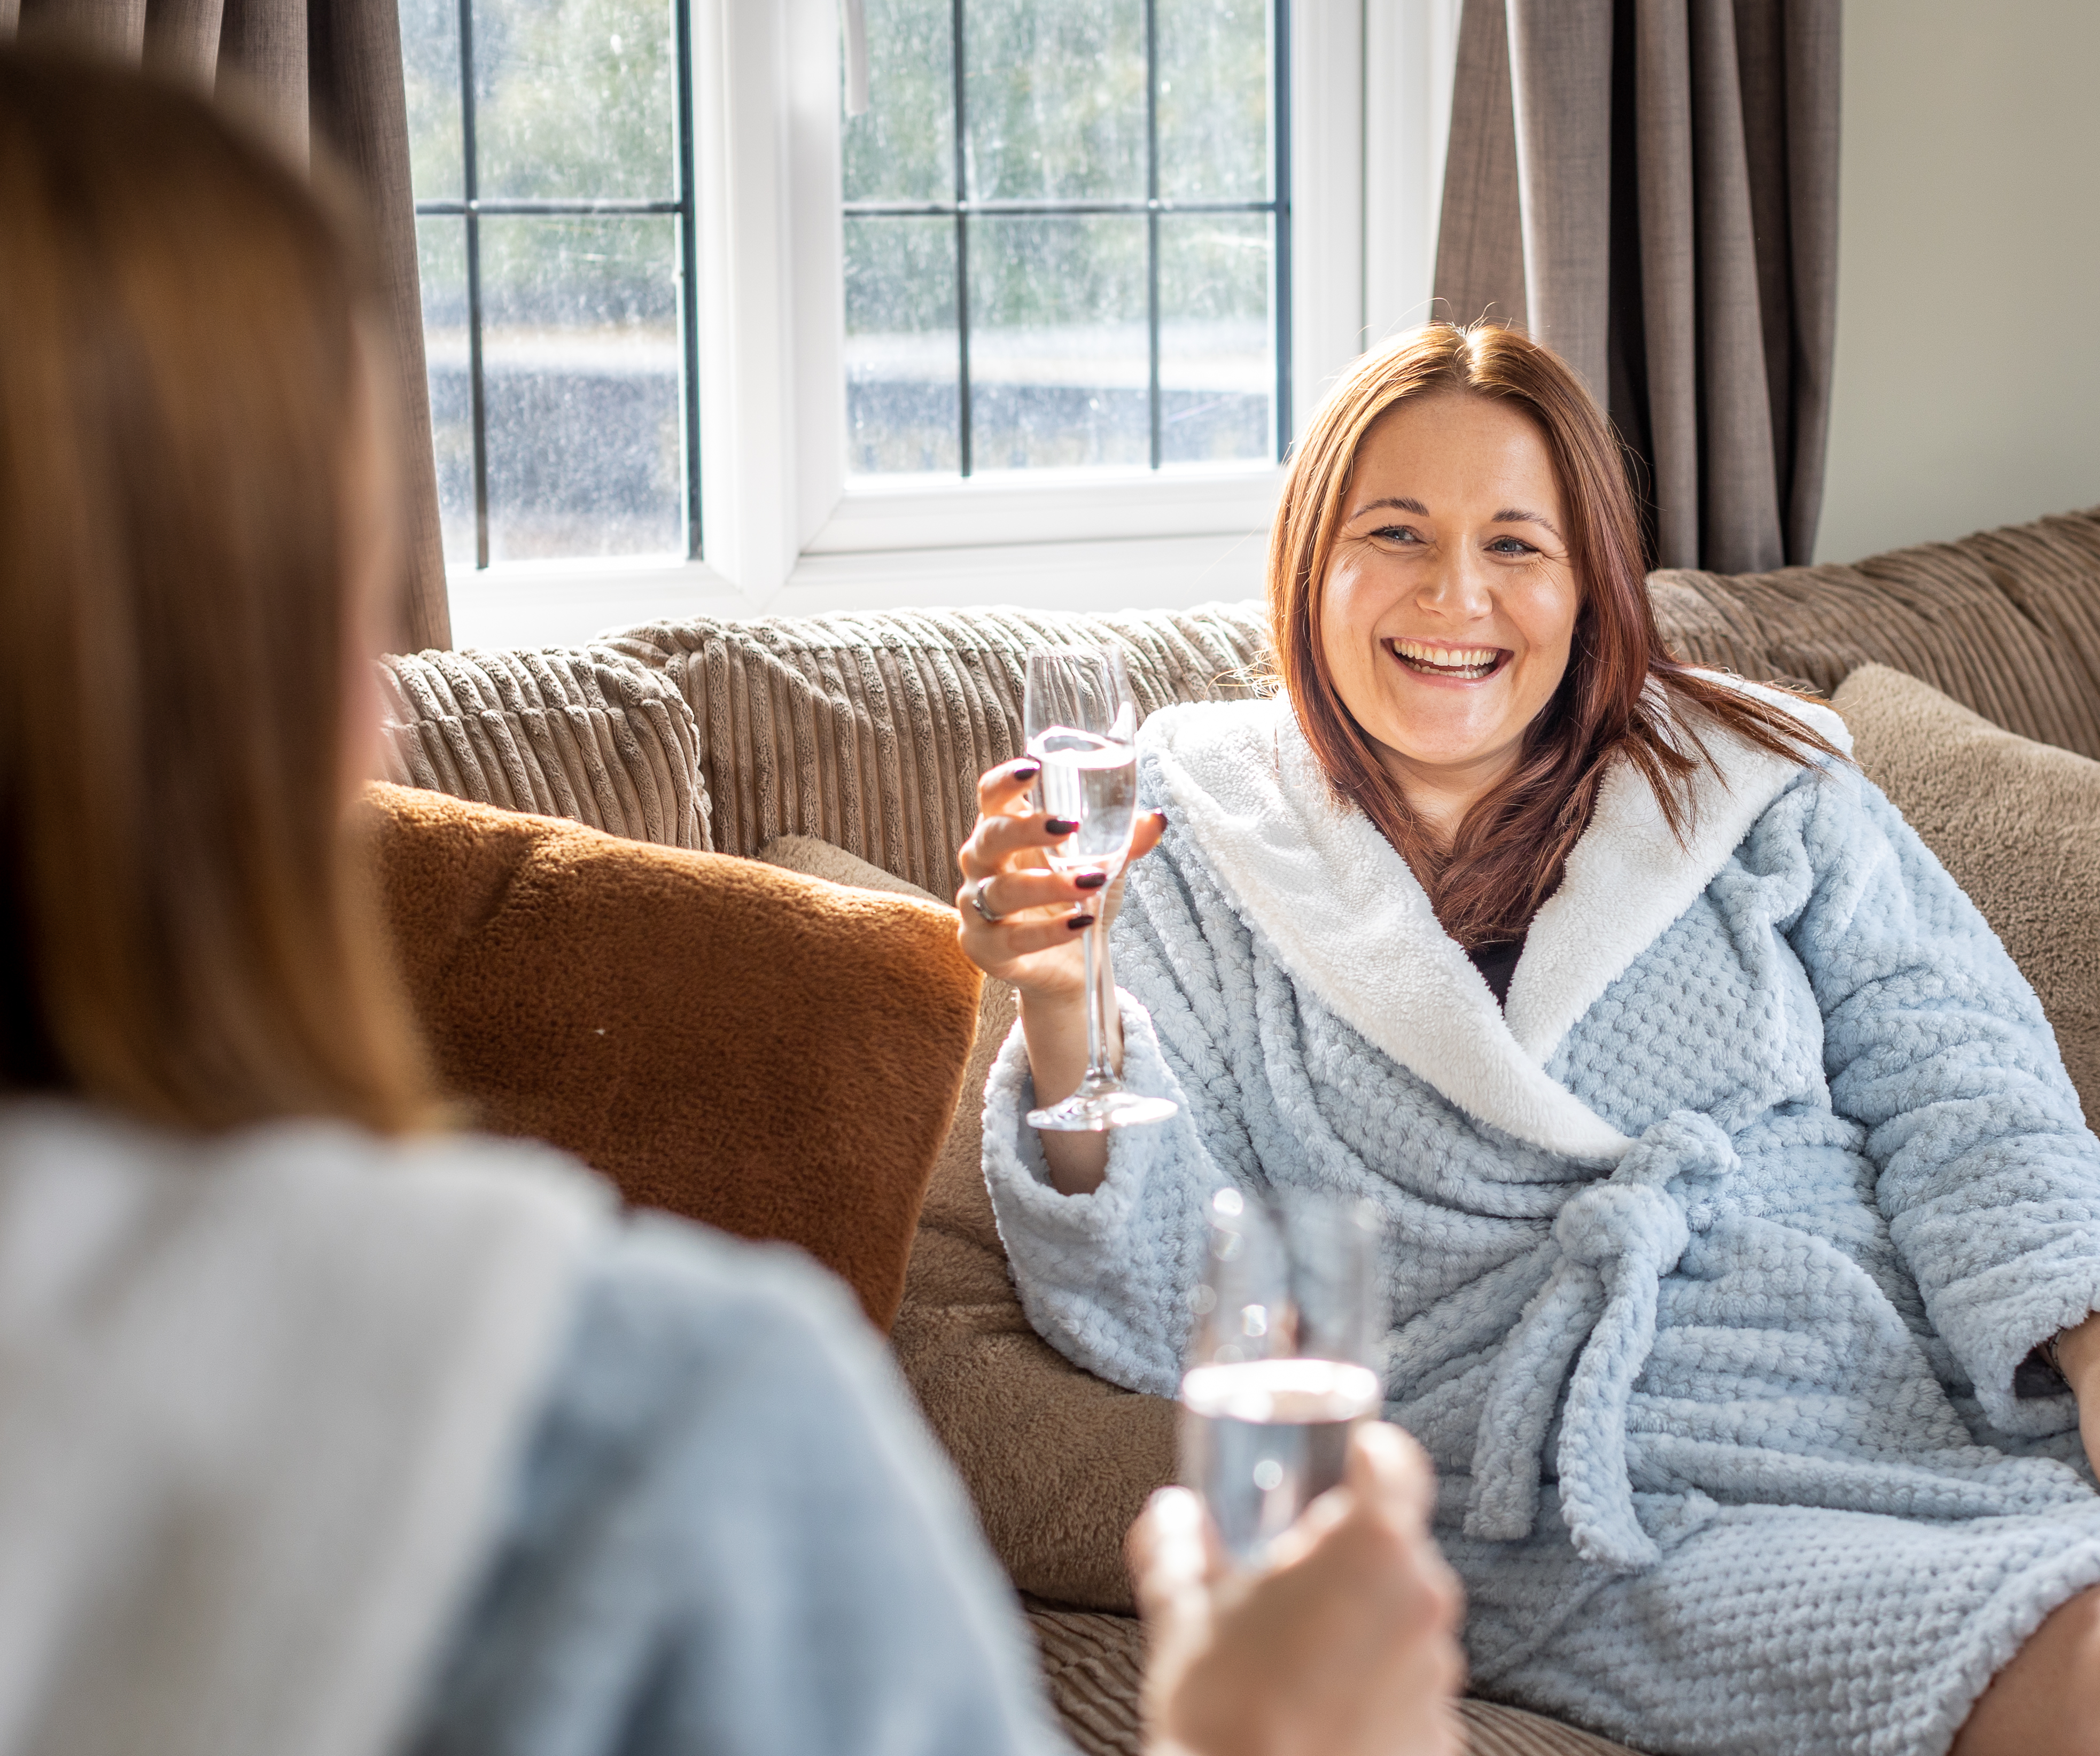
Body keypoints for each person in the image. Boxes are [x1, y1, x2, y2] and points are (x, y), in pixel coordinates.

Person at [0, 48, 1460, 1756]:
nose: (1458, 593)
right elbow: (1131, 1265)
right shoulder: (650, 1437)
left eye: (1518, 546)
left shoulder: (1765, 814)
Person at [956, 319, 2100, 1756]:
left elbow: (1963, 1081)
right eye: (1391, 533)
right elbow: (1144, 1313)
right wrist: (1056, 998)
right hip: (1591, 1484)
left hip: (1908, 1372)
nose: (1452, 595)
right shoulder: (1180, 845)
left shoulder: (1753, 781)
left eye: (1515, 543)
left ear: (1588, 578)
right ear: (1308, 562)